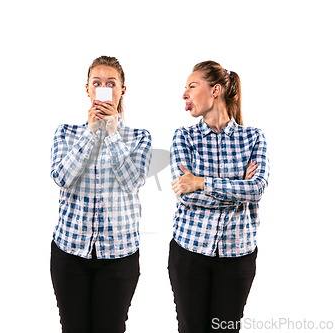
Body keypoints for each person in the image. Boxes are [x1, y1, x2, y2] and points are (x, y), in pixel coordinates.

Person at [49, 55, 152, 333]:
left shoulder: (139, 137)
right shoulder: (66, 133)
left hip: (119, 256)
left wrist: (112, 133)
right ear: (88, 89)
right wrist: (92, 132)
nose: (103, 88)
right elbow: (61, 177)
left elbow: (132, 181)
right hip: (70, 253)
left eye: (111, 83)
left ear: (121, 91)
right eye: (97, 83)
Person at [168, 60, 270, 333]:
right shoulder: (183, 137)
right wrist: (239, 189)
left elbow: (258, 188)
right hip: (189, 253)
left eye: (192, 86)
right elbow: (186, 197)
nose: (184, 94)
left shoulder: (253, 138)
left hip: (237, 256)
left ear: (215, 90)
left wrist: (201, 182)